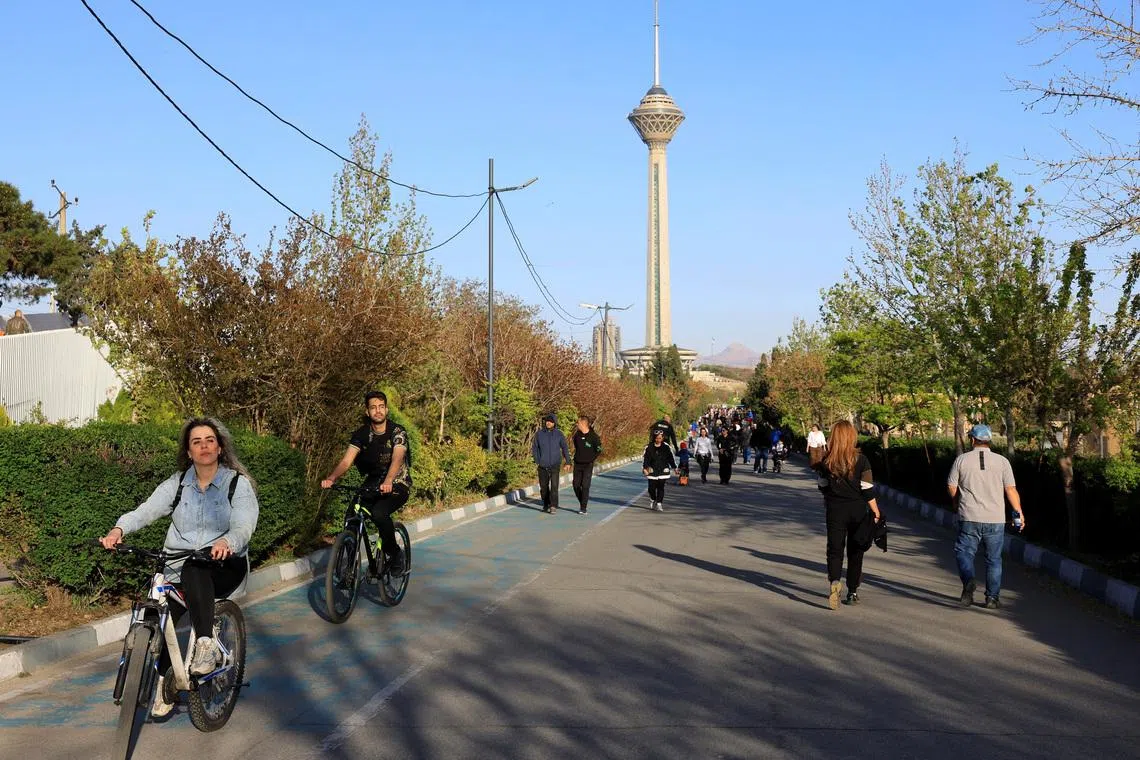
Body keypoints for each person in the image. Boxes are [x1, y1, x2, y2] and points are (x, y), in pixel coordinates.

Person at [99, 417, 259, 717]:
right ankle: (167, 679)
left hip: (223, 565)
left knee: (195, 569)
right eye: (196, 442)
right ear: (188, 451)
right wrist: (119, 530)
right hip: (177, 566)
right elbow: (146, 510)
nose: (204, 447)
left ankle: (206, 644)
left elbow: (244, 524)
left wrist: (227, 541)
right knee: (156, 617)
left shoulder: (237, 484)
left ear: (220, 446)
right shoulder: (177, 483)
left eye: (209, 440)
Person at [322, 391, 412, 576]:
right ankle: (349, 565)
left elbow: (397, 457)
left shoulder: (397, 431)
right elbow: (347, 461)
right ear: (367, 411)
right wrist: (332, 478)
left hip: (397, 482)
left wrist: (388, 481)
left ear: (386, 409)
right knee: (351, 516)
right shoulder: (361, 434)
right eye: (373, 407)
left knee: (379, 513)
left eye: (381, 407)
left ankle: (395, 555)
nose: (377, 411)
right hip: (373, 482)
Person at [948, 424, 1024, 610]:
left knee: (964, 553)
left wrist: (956, 503)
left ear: (972, 440)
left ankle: (969, 581)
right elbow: (1010, 490)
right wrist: (1019, 513)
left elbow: (952, 486)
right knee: (994, 559)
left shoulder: (961, 460)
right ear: (988, 440)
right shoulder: (1002, 461)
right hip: (995, 519)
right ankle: (992, 598)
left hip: (969, 516)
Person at [815, 420, 881, 609]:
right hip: (858, 511)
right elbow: (867, 490)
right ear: (852, 436)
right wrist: (876, 511)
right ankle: (852, 591)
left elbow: (822, 486)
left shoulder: (827, 461)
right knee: (855, 550)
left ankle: (835, 582)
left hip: (835, 510)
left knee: (835, 549)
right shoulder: (862, 459)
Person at [531, 412, 571, 513]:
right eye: (547, 421)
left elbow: (565, 448)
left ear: (554, 423)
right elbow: (535, 448)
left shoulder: (559, 434)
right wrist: (537, 460)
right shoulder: (539, 434)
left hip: (555, 464)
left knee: (554, 486)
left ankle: (553, 505)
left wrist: (568, 462)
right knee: (544, 487)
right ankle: (546, 503)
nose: (548, 423)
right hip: (542, 465)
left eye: (551, 421)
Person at [570, 414, 602, 515]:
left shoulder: (594, 437)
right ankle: (582, 501)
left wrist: (591, 458)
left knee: (585, 486)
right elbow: (576, 445)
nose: (577, 424)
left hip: (588, 465)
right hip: (578, 464)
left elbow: (599, 449)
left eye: (578, 423)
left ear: (584, 423)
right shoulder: (577, 435)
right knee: (576, 485)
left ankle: (583, 508)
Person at [642, 430, 676, 511]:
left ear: (662, 438)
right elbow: (645, 459)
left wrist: (675, 467)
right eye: (657, 438)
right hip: (652, 470)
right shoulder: (649, 447)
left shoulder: (666, 447)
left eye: (660, 438)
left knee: (661, 487)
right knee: (651, 488)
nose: (658, 440)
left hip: (663, 469)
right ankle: (653, 499)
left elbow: (671, 458)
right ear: (654, 438)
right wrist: (645, 468)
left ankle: (659, 503)